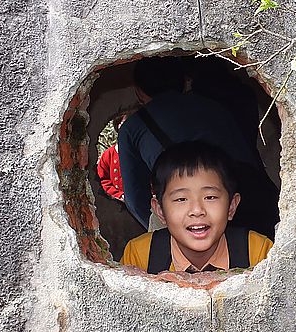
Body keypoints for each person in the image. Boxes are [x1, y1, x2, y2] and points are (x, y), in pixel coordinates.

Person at [117, 56, 279, 238]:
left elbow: (135, 198)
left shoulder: (133, 127)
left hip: (195, 217)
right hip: (253, 200)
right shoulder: (214, 105)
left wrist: (167, 223)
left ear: (138, 90)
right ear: (183, 81)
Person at [121, 141, 273, 273]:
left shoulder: (257, 252)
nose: (197, 210)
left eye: (210, 197)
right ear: (160, 211)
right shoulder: (141, 255)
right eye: (181, 199)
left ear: (232, 206)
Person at [96, 114, 127, 201]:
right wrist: (119, 195)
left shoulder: (142, 152)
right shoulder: (108, 155)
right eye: (124, 123)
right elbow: (103, 179)